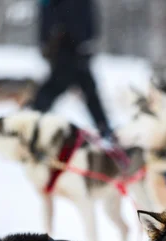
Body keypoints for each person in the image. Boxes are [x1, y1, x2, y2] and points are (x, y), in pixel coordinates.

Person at [33, 0, 112, 138]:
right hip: (63, 47)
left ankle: (104, 128)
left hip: (77, 47)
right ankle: (30, 122)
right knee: (55, 88)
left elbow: (88, 15)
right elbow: (47, 15)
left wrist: (88, 40)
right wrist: (46, 41)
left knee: (86, 89)